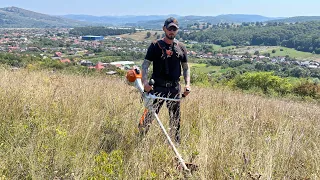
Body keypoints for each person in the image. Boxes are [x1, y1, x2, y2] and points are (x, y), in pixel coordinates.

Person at [139, 17, 191, 144]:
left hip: (174, 89)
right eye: (169, 29)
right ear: (164, 29)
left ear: (177, 31)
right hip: (157, 88)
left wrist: (188, 84)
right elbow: (145, 65)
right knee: (149, 117)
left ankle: (176, 145)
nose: (171, 32)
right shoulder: (155, 46)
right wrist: (144, 83)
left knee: (176, 120)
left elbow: (185, 67)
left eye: (174, 29)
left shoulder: (181, 47)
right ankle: (140, 142)